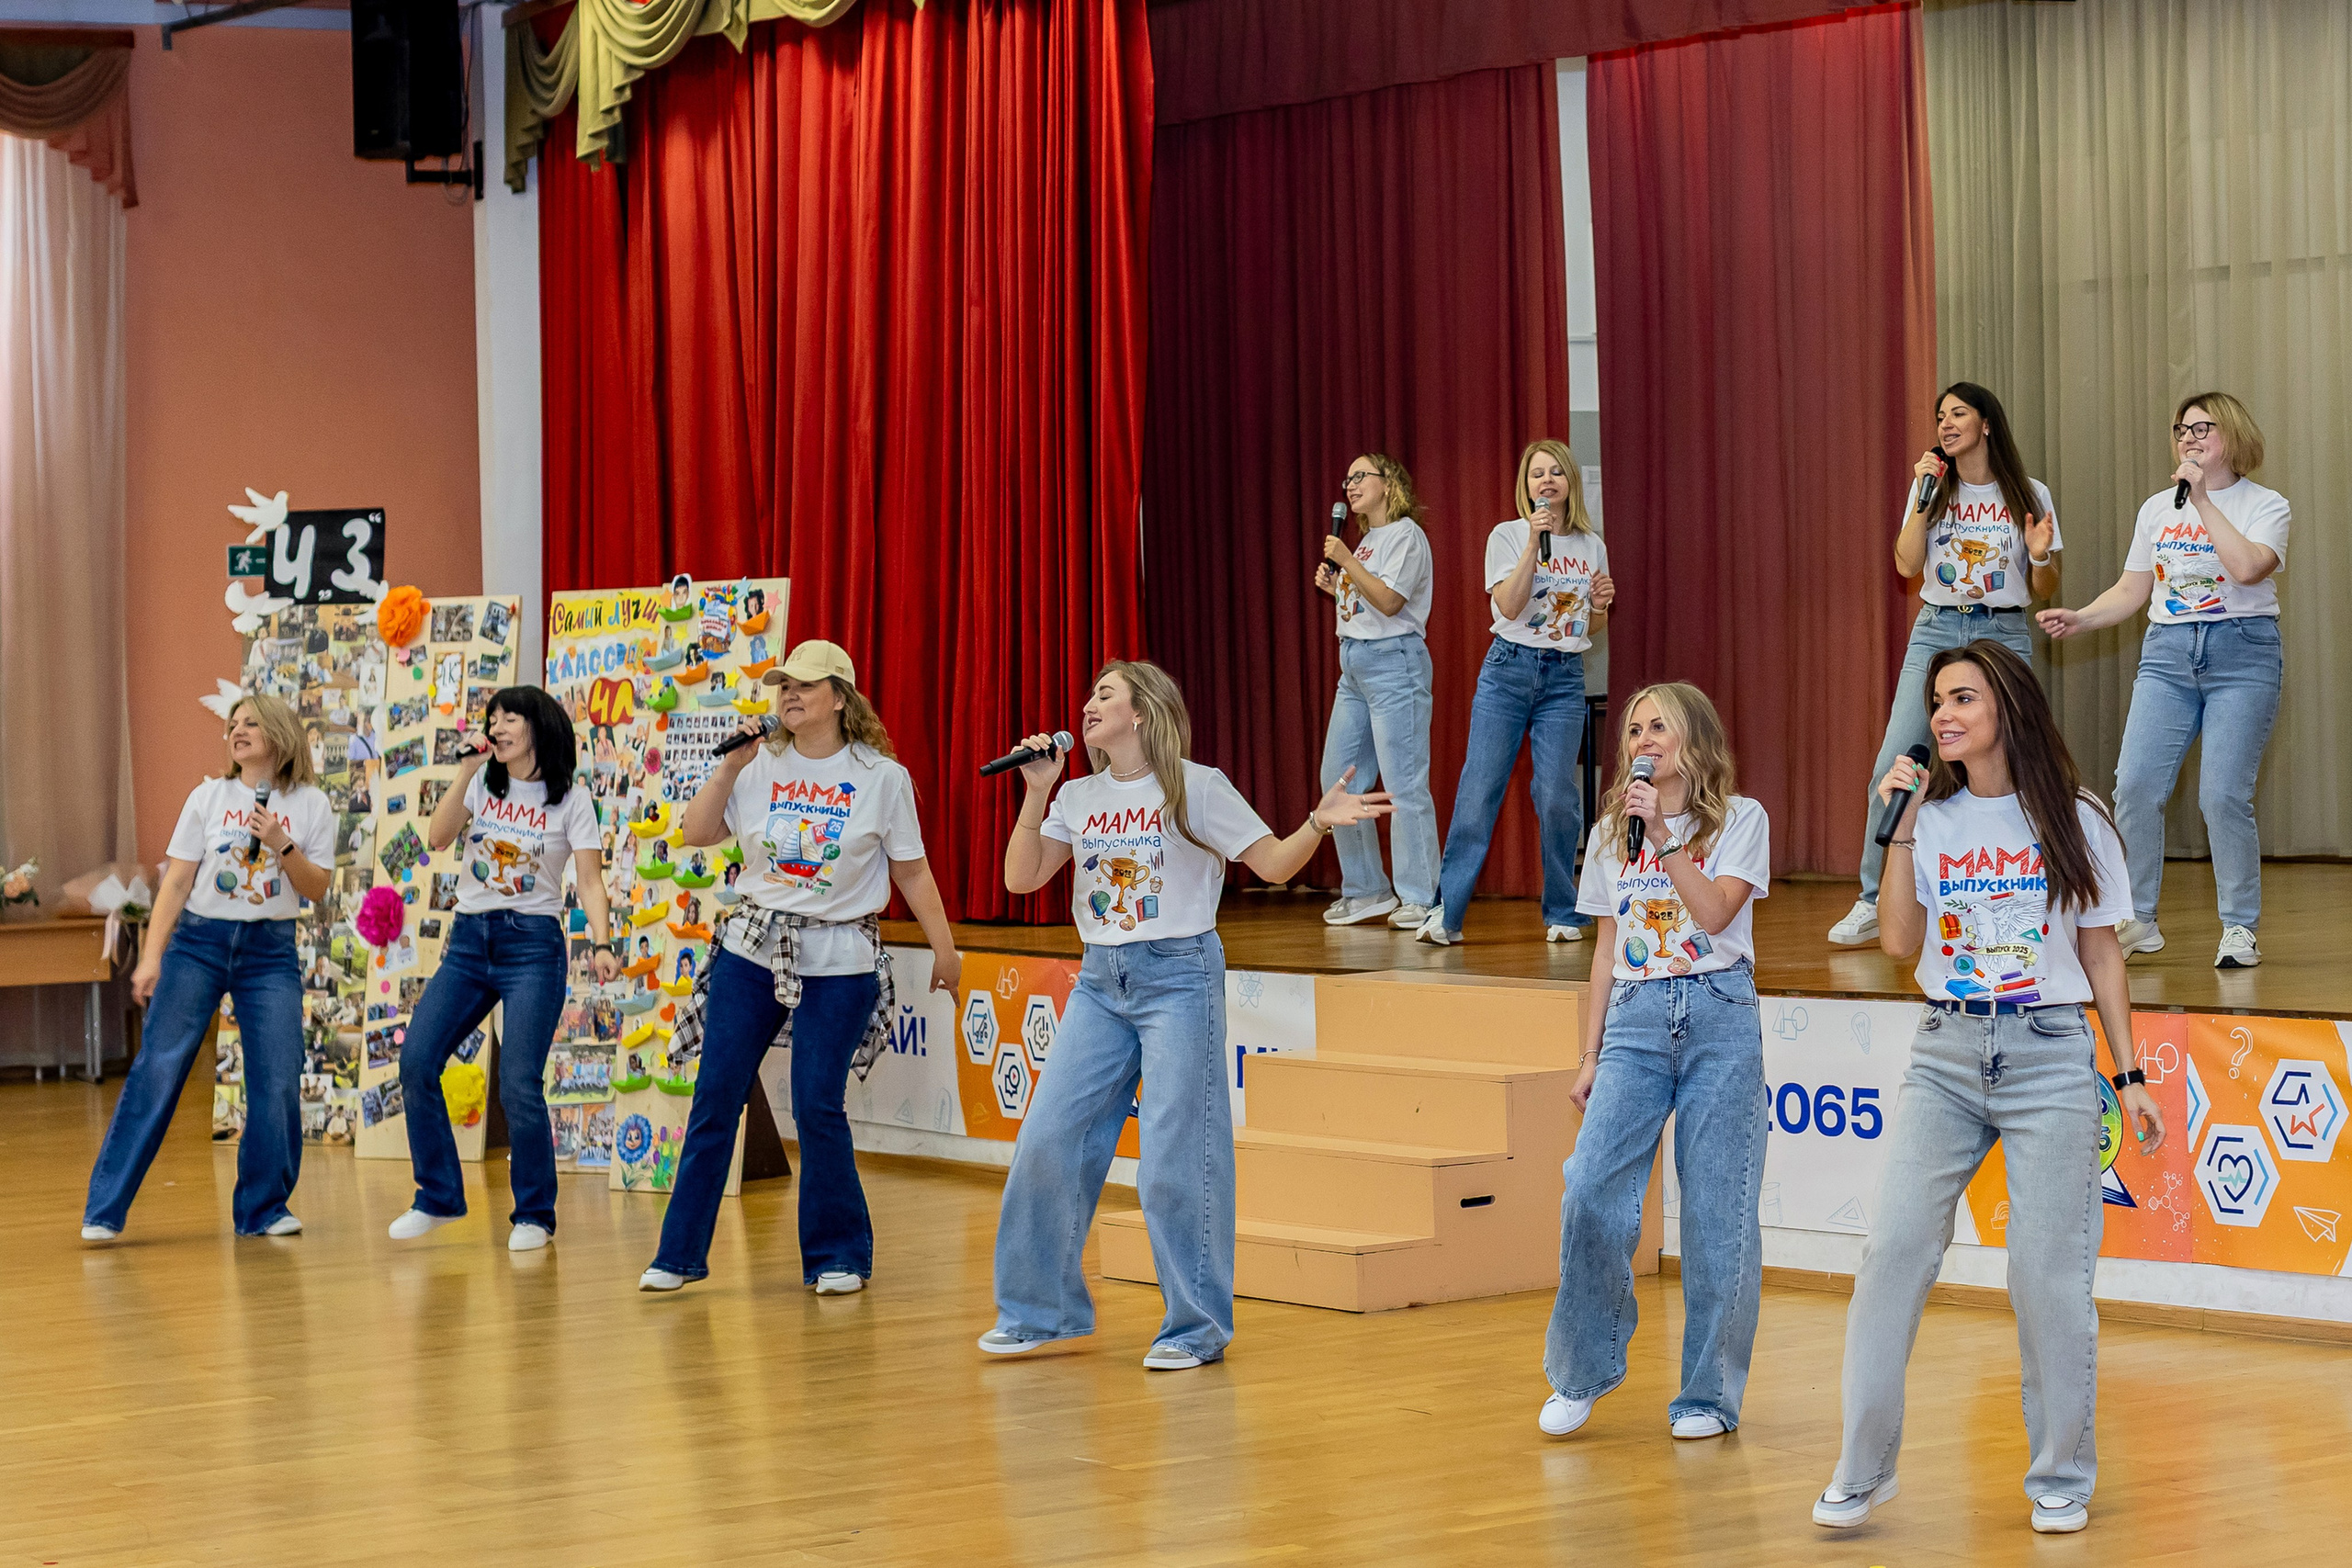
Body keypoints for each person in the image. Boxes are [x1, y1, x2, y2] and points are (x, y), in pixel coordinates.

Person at [1814, 639, 2165, 1537]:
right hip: (1946, 1052)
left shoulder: (2074, 818)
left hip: (2048, 1053)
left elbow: (2100, 955)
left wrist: (2127, 1078)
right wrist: (1893, 823)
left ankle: (2060, 1474)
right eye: (1936, 700)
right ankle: (1862, 1469)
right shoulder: (1926, 819)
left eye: (1960, 697)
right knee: (1892, 1252)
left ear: (2004, 707)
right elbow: (1897, 944)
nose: (1941, 714)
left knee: (2046, 1276)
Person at [984, 660, 1392, 1369]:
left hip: (1177, 976)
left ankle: (1194, 1327)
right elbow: (1022, 876)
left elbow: (1270, 864)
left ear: (1142, 713)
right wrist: (1037, 792)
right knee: (1048, 1137)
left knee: (1177, 1155)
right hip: (1099, 981)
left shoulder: (1196, 786)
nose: (1089, 705)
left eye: (1106, 694)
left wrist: (1316, 824)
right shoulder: (1075, 795)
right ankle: (1040, 1312)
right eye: (1090, 695)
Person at [639, 640, 961, 1295]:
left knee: (818, 1101)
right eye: (782, 684)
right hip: (752, 946)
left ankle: (837, 1255)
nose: (788, 695)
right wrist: (729, 769)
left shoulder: (880, 776)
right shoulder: (759, 765)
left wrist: (945, 948)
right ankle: (677, 1255)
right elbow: (695, 833)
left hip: (841, 956)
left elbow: (912, 868)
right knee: (716, 1094)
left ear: (840, 698)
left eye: (805, 686)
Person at [1539, 683, 1771, 1441]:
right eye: (1634, 726)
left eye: (1658, 723)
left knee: (1716, 1215)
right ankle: (1581, 1370)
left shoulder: (1741, 819)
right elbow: (1607, 948)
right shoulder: (1613, 833)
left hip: (1718, 1015)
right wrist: (1590, 1051)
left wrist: (1666, 836)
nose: (1643, 735)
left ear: (1693, 738)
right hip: (1636, 1019)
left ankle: (1708, 1394)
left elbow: (1714, 913)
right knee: (1589, 1189)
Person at [2038, 392, 2289, 969]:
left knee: (2222, 794)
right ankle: (2139, 919)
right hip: (2169, 655)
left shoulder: (2265, 504)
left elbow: (2249, 567)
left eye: (2203, 428)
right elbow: (2133, 590)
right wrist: (2082, 616)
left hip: (2242, 654)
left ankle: (2239, 927)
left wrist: (2202, 501)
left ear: (2234, 435)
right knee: (2135, 786)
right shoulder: (2157, 509)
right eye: (2181, 429)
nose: (2189, 438)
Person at [83, 694, 335, 1241]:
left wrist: (281, 843)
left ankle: (264, 1209)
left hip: (270, 951)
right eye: (233, 725)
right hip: (198, 943)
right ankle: (103, 1210)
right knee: (159, 1070)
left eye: (250, 724)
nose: (237, 732)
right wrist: (151, 957)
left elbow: (316, 889)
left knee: (277, 1077)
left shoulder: (313, 804)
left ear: (278, 733)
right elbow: (176, 882)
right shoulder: (208, 796)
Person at [1829, 382, 2059, 947]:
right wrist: (1924, 501)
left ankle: (2033, 891)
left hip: (2002, 629)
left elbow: (2046, 585)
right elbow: (1907, 564)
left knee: (2020, 763)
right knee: (1893, 762)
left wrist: (2038, 553)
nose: (1946, 424)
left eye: (1958, 414)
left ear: (1986, 424)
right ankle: (1871, 898)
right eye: (1940, 417)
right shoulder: (1931, 489)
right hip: (1937, 626)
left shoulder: (2028, 493)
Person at [389, 687, 617, 1252]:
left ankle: (534, 1214)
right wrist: (466, 769)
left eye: (510, 717)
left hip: (532, 946)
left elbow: (588, 880)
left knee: (518, 1085)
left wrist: (604, 942)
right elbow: (438, 838)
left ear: (538, 727)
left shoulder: (571, 800)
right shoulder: (482, 785)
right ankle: (438, 1197)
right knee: (417, 1060)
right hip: (469, 941)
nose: (497, 726)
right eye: (492, 719)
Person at [1417, 439, 1612, 945]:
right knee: (1479, 791)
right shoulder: (1506, 535)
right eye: (1536, 475)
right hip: (1508, 671)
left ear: (1570, 483)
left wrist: (1603, 604)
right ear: (1526, 487)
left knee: (1556, 796)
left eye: (1555, 473)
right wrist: (1533, 543)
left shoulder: (1592, 545)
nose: (1546, 482)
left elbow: (1591, 624)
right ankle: (1448, 915)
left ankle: (1563, 913)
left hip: (1564, 676)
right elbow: (1507, 605)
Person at [1313, 453, 1440, 930]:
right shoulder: (1365, 542)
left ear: (1389, 484)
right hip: (1355, 668)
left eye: (1360, 476)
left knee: (1404, 782)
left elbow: (1389, 601)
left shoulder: (1406, 535)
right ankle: (1367, 890)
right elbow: (1364, 602)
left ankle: (1421, 896)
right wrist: (1337, 587)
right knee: (1339, 777)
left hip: (1394, 664)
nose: (1350, 484)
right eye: (1346, 479)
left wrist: (1345, 561)